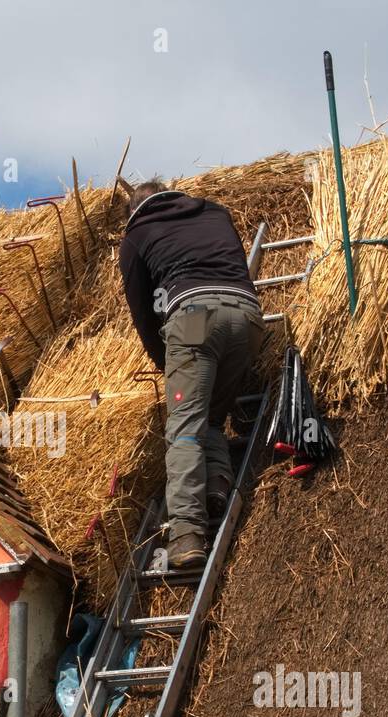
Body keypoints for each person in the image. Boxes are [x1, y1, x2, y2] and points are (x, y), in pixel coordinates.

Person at [119, 179, 264, 567]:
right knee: (211, 416)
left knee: (183, 426)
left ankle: (186, 533)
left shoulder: (136, 234)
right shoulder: (213, 211)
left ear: (133, 211)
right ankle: (216, 484)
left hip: (195, 320)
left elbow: (143, 311)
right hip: (248, 319)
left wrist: (166, 361)